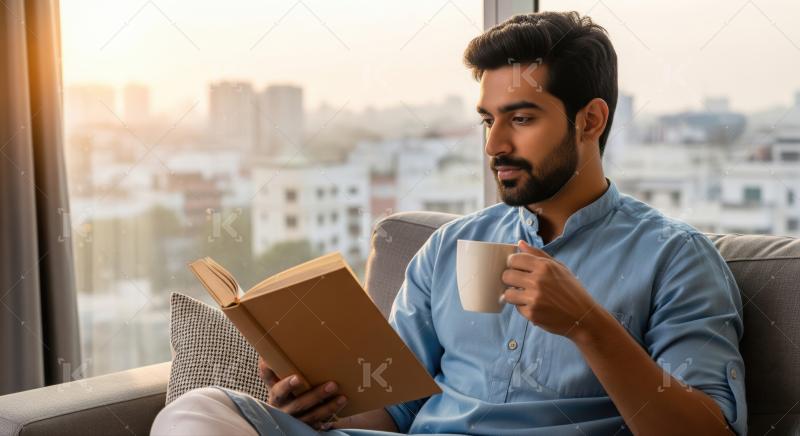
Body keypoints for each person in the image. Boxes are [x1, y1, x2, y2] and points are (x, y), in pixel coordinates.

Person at [152, 11, 746, 436]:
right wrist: (320, 402)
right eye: (488, 120)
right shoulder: (451, 247)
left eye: (522, 117)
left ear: (590, 120)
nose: (497, 144)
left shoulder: (676, 259)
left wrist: (589, 325)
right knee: (197, 411)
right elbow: (395, 412)